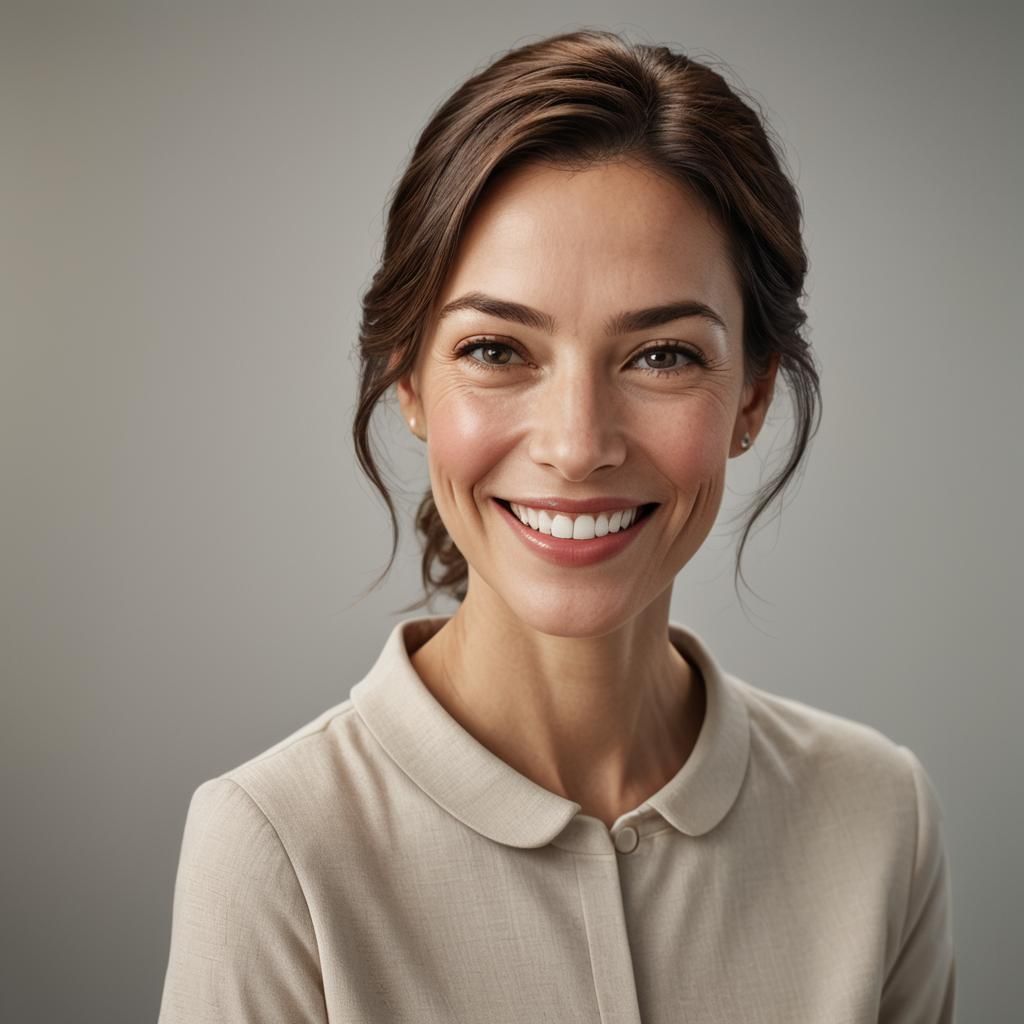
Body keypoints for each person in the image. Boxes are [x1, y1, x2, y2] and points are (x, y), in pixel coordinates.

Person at [157, 29, 955, 1023]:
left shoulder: (878, 817)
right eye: (497, 348)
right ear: (408, 380)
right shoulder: (275, 846)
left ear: (751, 396)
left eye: (660, 356)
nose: (577, 446)